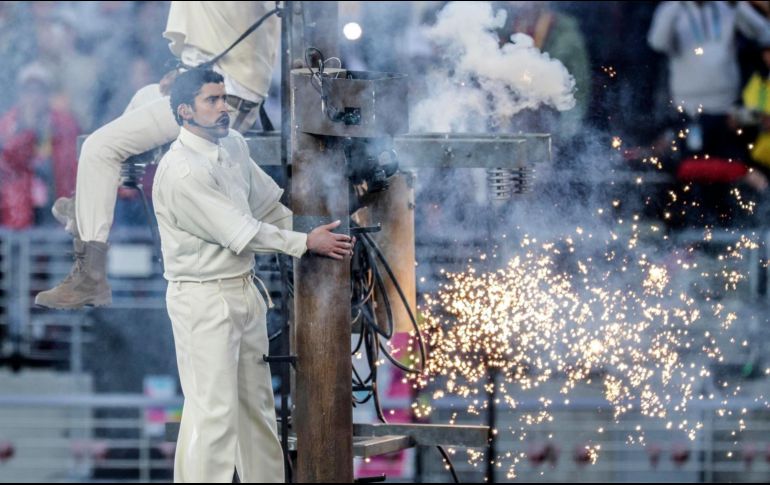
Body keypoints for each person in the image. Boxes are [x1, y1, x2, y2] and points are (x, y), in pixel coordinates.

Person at [155, 68, 352, 483]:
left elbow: (267, 207)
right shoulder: (182, 172)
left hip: (243, 291)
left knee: (258, 410)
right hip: (203, 300)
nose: (224, 107)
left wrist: (314, 231)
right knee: (214, 415)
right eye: (212, 100)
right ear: (184, 111)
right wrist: (304, 243)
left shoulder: (234, 146)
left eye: (224, 98)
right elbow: (239, 233)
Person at [35, 1, 280, 309]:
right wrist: (186, 73)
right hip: (216, 88)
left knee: (99, 149)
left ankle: (90, 279)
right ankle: (87, 206)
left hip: (222, 98)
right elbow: (218, 39)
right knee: (143, 96)